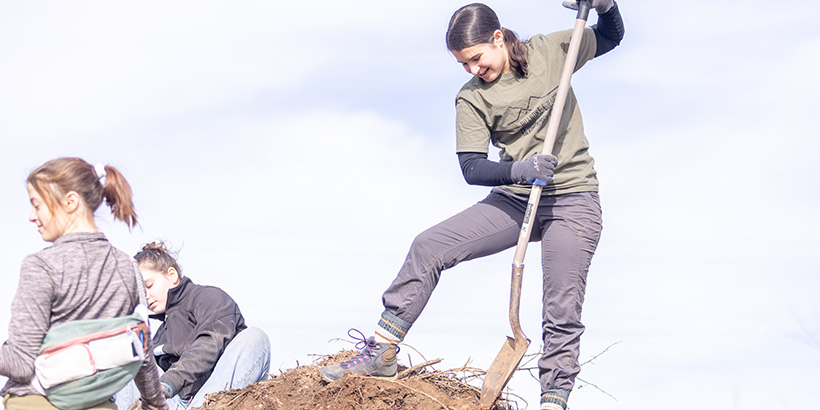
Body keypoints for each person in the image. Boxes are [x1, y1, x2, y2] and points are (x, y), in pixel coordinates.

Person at [320, 1, 624, 409]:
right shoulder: (472, 98)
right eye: (463, 64)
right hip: (515, 199)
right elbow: (472, 167)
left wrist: (608, 7)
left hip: (573, 200)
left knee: (560, 309)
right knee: (429, 245)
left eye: (476, 59)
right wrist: (521, 168)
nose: (472, 70)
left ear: (498, 38)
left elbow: (610, 36)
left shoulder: (553, 51)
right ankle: (381, 352)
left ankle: (553, 400)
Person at [0, 158, 168, 410]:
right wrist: (155, 404)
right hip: (96, 401)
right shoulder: (126, 266)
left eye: (37, 205)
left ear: (70, 202)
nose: (31, 217)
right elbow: (140, 347)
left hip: (37, 399)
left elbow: (21, 365)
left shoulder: (41, 265)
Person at [114, 242, 270, 410]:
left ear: (171, 275)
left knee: (255, 336)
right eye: (139, 294)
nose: (146, 297)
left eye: (149, 285)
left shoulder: (208, 298)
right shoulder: (160, 336)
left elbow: (210, 343)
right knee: (129, 355)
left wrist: (166, 384)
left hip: (214, 396)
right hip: (177, 403)